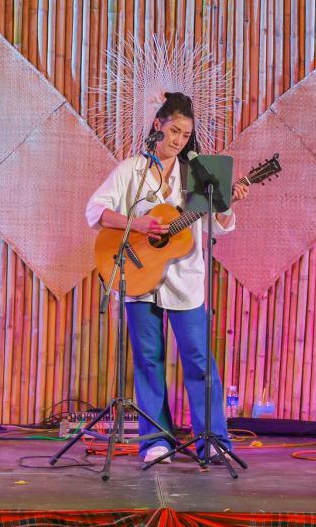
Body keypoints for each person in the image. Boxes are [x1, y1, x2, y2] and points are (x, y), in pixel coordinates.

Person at [86, 92, 248, 463]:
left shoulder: (197, 173)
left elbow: (216, 226)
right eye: (174, 131)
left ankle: (213, 440)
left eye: (185, 135)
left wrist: (228, 204)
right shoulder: (132, 170)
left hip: (185, 281)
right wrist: (138, 223)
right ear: (158, 125)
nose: (178, 140)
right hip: (138, 278)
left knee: (199, 362)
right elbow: (95, 211)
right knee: (148, 361)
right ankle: (156, 442)